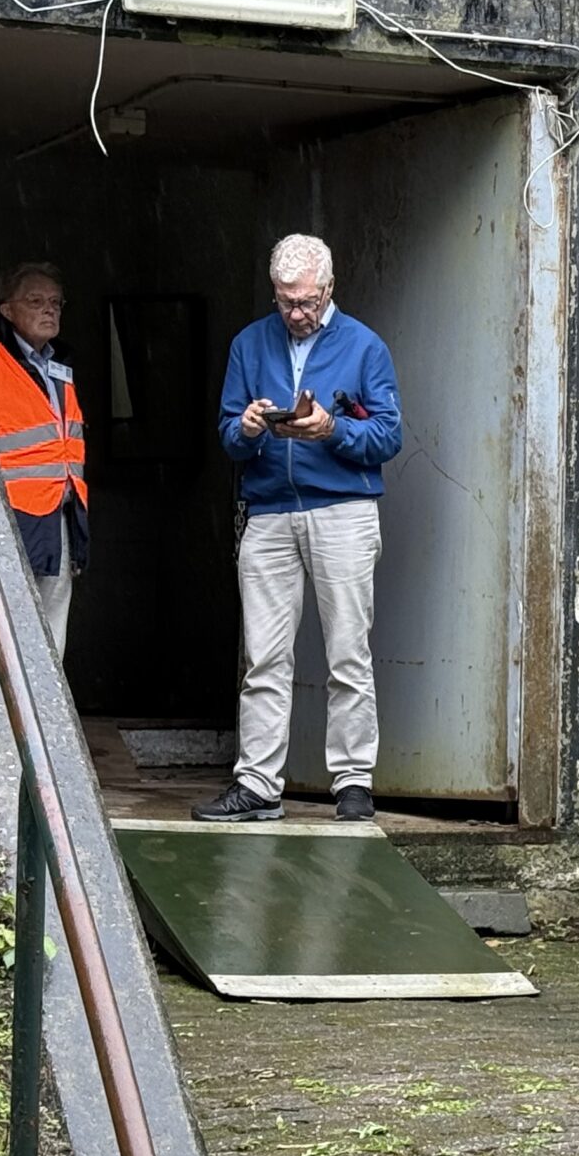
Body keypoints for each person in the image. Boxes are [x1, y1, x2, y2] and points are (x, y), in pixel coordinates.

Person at [194, 234, 403, 824]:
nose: (297, 313)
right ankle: (258, 784)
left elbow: (389, 437)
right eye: (286, 301)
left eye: (308, 301)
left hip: (342, 509)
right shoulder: (248, 342)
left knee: (347, 654)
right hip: (268, 511)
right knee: (262, 657)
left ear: (330, 289)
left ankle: (353, 782)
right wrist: (254, 425)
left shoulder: (365, 346)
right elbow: (228, 436)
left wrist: (331, 429)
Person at [0, 264, 88, 656]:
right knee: (8, 623)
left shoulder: (60, 365)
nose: (49, 310)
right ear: (7, 310)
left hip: (60, 516)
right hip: (8, 517)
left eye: (55, 302)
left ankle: (47, 716)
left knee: (53, 627)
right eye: (35, 301)